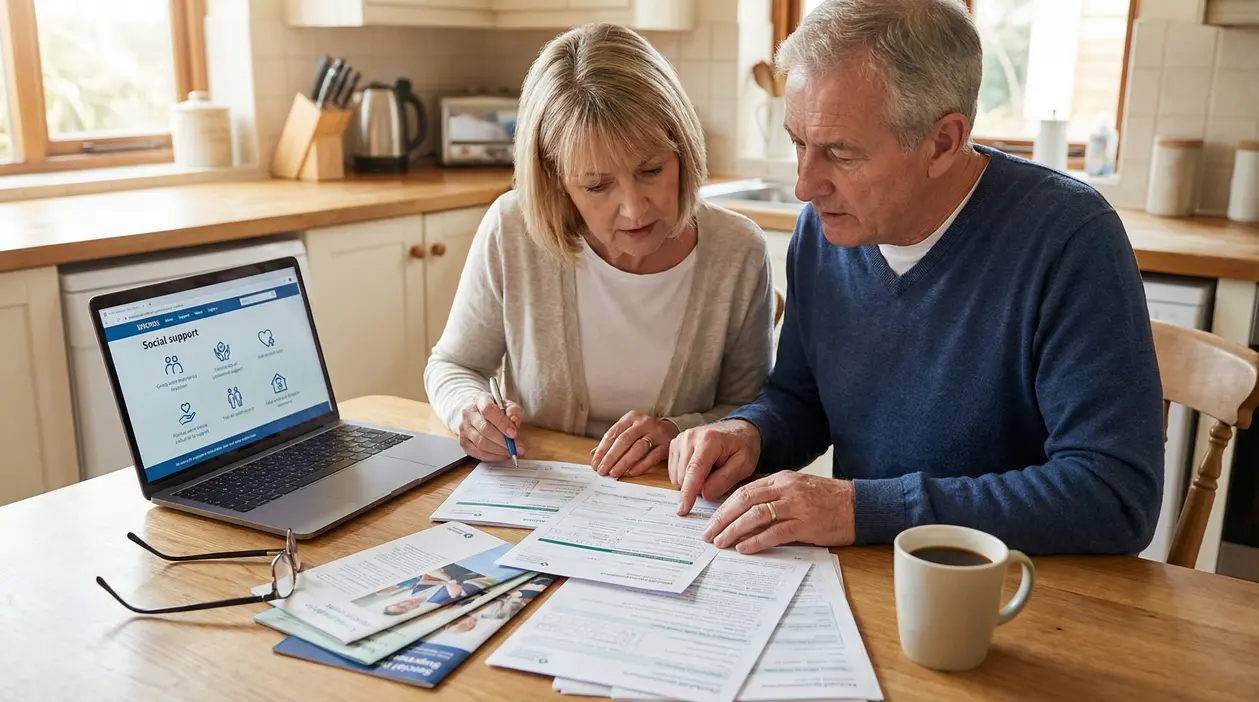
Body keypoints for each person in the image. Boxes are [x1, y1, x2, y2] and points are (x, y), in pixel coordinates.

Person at [669, 0, 1164, 556]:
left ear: (943, 142)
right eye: (798, 143)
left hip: (1019, 591)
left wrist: (862, 508)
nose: (806, 186)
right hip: (872, 573)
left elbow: (1115, 495)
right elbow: (802, 399)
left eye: (840, 153)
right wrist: (750, 433)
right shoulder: (823, 233)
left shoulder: (1069, 237)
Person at [425, 23, 775, 479]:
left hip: (673, 509)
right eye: (597, 184)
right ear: (556, 180)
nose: (633, 208)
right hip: (541, 495)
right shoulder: (512, 229)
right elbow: (454, 365)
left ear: (682, 151)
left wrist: (677, 430)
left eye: (651, 169)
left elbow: (750, 415)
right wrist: (468, 411)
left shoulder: (738, 251)